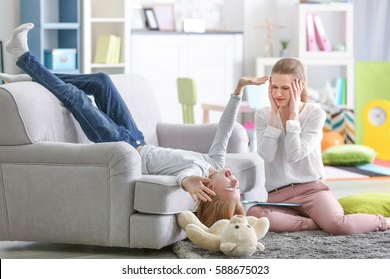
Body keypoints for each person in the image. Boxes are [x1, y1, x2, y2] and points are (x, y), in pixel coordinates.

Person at [3, 23, 270, 227]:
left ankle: (23, 56)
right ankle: (30, 78)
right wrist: (238, 89)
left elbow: (182, 177)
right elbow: (224, 129)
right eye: (237, 183)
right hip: (137, 138)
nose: (234, 178)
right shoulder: (214, 161)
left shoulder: (196, 172)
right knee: (101, 81)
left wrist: (188, 182)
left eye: (232, 186)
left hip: (124, 147)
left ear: (209, 191)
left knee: (78, 99)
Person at [247, 57, 390, 234]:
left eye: (285, 88)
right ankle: (310, 224)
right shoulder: (263, 114)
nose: (278, 94)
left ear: (300, 86)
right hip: (278, 195)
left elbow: (294, 154)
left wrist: (292, 117)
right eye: (274, 87)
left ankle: (385, 222)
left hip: (311, 190)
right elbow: (267, 155)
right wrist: (274, 116)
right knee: (255, 214)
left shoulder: (315, 114)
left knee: (339, 225)